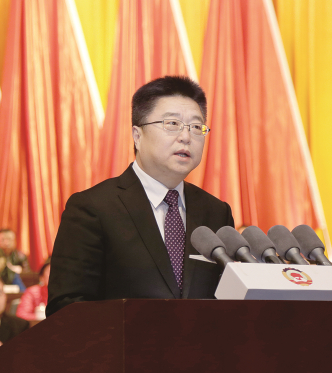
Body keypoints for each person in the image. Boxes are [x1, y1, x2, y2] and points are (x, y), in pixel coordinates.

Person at [48, 76, 235, 316]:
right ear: (137, 135)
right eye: (172, 124)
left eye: (196, 127)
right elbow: (67, 307)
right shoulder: (92, 208)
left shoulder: (216, 212)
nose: (186, 137)